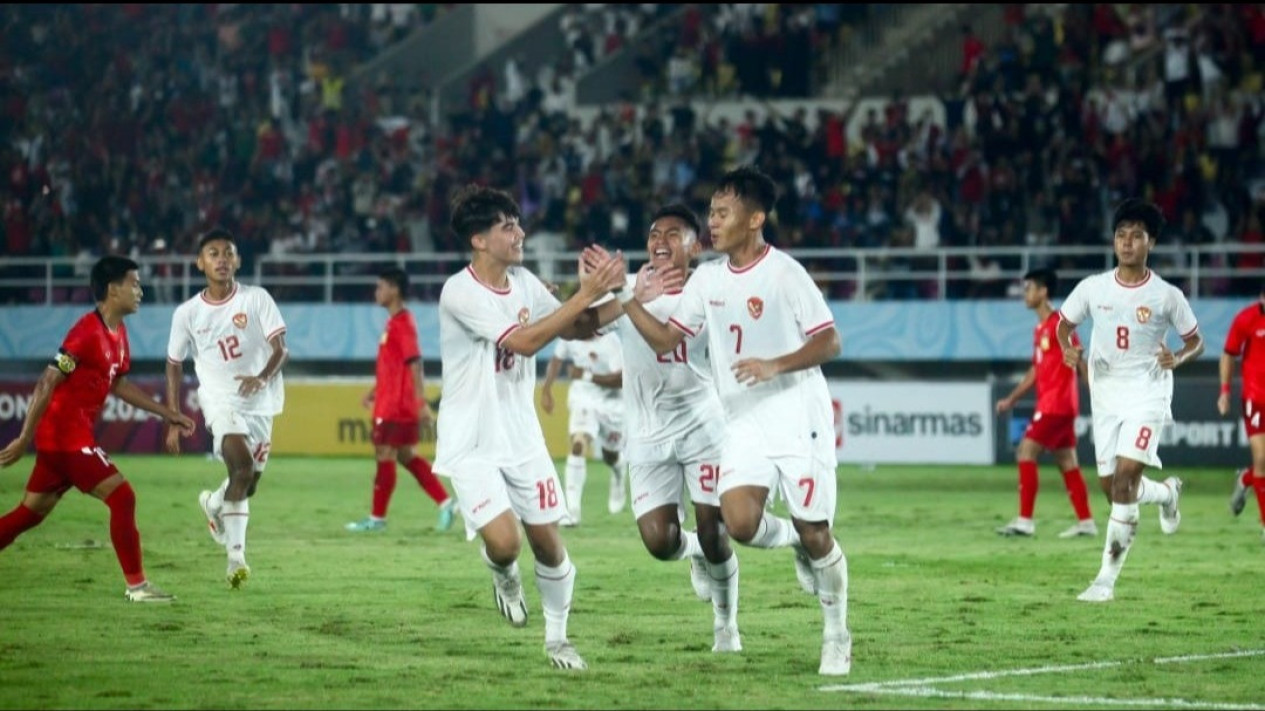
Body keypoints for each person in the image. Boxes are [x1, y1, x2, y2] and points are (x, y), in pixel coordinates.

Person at [608, 166, 852, 675]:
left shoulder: (785, 272)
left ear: (755, 219)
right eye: (713, 212)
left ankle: (836, 634)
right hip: (741, 421)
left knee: (816, 529)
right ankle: (793, 547)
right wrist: (627, 299)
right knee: (738, 523)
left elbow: (830, 340)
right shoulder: (709, 280)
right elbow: (665, 340)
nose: (713, 223)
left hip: (797, 416)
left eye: (722, 213)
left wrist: (775, 365)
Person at [433, 184, 627, 671]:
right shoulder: (459, 290)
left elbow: (576, 326)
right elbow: (522, 342)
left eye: (518, 222)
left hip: (520, 435)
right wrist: (585, 291)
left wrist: (629, 297)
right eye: (508, 225)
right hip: (472, 437)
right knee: (505, 543)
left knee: (548, 542)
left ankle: (558, 640)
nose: (520, 232)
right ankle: (503, 576)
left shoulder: (524, 282)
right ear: (479, 240)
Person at [0, 255, 195, 602]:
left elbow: (118, 384)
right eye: (134, 283)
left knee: (29, 514)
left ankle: (137, 585)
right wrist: (24, 438)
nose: (140, 290)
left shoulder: (119, 334)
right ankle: (137, 586)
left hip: (69, 440)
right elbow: (47, 381)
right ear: (112, 289)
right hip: (65, 439)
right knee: (123, 497)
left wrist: (168, 413)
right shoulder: (85, 332)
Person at [1056, 198, 1204, 603]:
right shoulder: (1093, 287)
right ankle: (1167, 494)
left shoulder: (1166, 295)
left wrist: (1179, 357)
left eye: (1136, 235)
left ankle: (1104, 580)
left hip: (1147, 391)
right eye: (1121, 235)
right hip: (1105, 392)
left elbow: (1196, 341)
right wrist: (1068, 349)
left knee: (1124, 481)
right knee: (1114, 489)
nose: (1127, 242)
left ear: (1150, 243)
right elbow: (1063, 326)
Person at [610, 203, 743, 652]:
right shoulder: (626, 287)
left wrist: (629, 302)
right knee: (660, 543)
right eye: (653, 233)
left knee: (715, 529)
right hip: (647, 434)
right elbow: (581, 328)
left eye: (673, 234)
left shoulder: (710, 290)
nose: (660, 241)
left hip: (703, 428)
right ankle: (694, 555)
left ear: (696, 246)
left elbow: (676, 339)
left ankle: (726, 625)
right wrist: (597, 294)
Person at [165, 227, 290, 590]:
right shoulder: (187, 313)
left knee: (247, 483)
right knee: (243, 466)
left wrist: (262, 378)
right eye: (213, 253)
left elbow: (281, 349)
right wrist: (173, 415)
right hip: (219, 400)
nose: (221, 259)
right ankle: (236, 558)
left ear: (237, 261)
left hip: (261, 402)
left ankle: (213, 503)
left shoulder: (257, 299)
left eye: (228, 253)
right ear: (200, 262)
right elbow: (174, 363)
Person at [346, 267, 457, 533]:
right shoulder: (394, 322)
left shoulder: (403, 323)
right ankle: (445, 502)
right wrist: (375, 390)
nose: (377, 292)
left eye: (380, 286)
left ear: (394, 289)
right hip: (391, 401)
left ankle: (377, 518)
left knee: (385, 454)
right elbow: (394, 365)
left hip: (396, 406)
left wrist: (420, 403)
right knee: (406, 456)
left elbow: (415, 363)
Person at [995, 267, 1097, 539]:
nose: (1025, 293)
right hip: (1058, 406)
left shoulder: (1060, 324)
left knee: (1025, 452)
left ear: (1043, 292)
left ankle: (1025, 521)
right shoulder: (1040, 328)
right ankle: (1086, 522)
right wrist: (1011, 399)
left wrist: (1093, 389)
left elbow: (1078, 358)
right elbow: (1036, 371)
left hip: (1056, 406)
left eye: (1029, 288)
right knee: (1067, 461)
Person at [540, 328, 627, 525]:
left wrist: (586, 376)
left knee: (610, 455)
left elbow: (621, 379)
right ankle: (572, 511)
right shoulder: (570, 334)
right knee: (578, 444)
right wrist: (546, 389)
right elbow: (556, 359)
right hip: (583, 398)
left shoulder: (611, 342)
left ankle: (618, 471)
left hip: (612, 404)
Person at [1216, 282, 1265, 541]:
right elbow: (1228, 354)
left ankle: (1246, 479)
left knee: (1261, 465)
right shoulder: (1246, 319)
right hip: (1256, 399)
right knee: (1262, 460)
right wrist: (1225, 391)